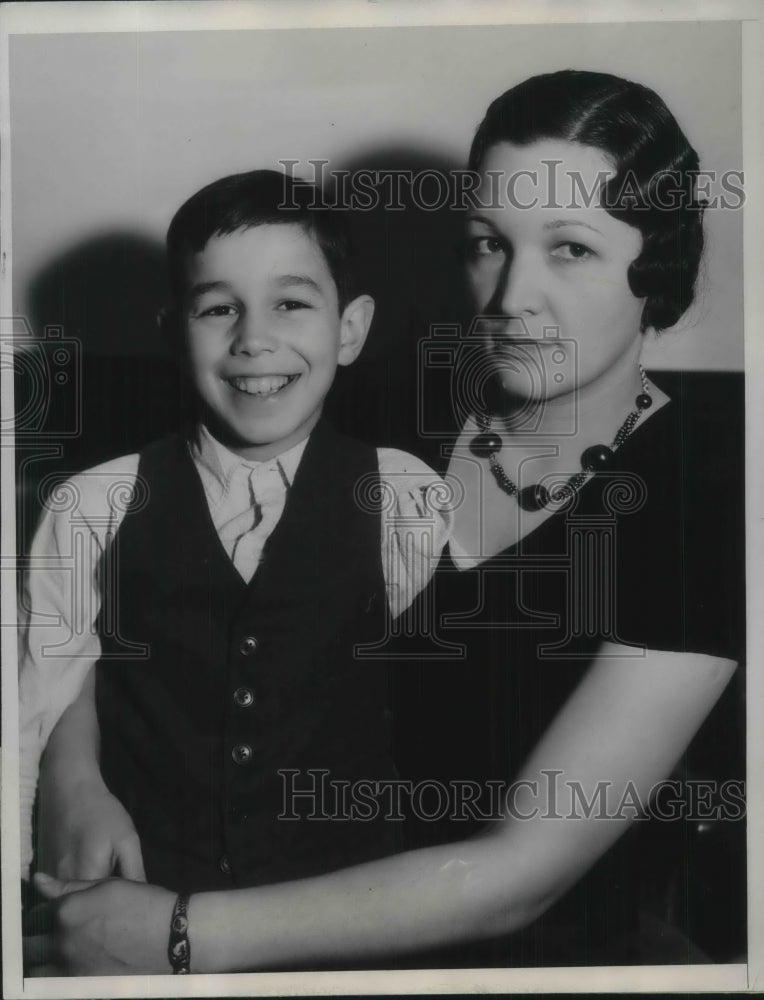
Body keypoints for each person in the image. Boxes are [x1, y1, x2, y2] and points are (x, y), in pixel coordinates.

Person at [23, 70, 743, 974]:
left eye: (571, 249)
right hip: (277, 918)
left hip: (544, 960)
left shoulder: (710, 488)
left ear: (659, 267)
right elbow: (110, 581)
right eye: (488, 244)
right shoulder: (382, 409)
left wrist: (177, 934)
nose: (512, 295)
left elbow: (523, 876)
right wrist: (72, 777)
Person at [19, 169, 449, 930]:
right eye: (218, 308)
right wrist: (68, 796)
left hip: (343, 919)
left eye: (291, 303)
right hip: (137, 900)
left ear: (349, 330)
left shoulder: (404, 498)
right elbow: (45, 690)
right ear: (172, 332)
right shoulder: (93, 503)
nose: (254, 338)